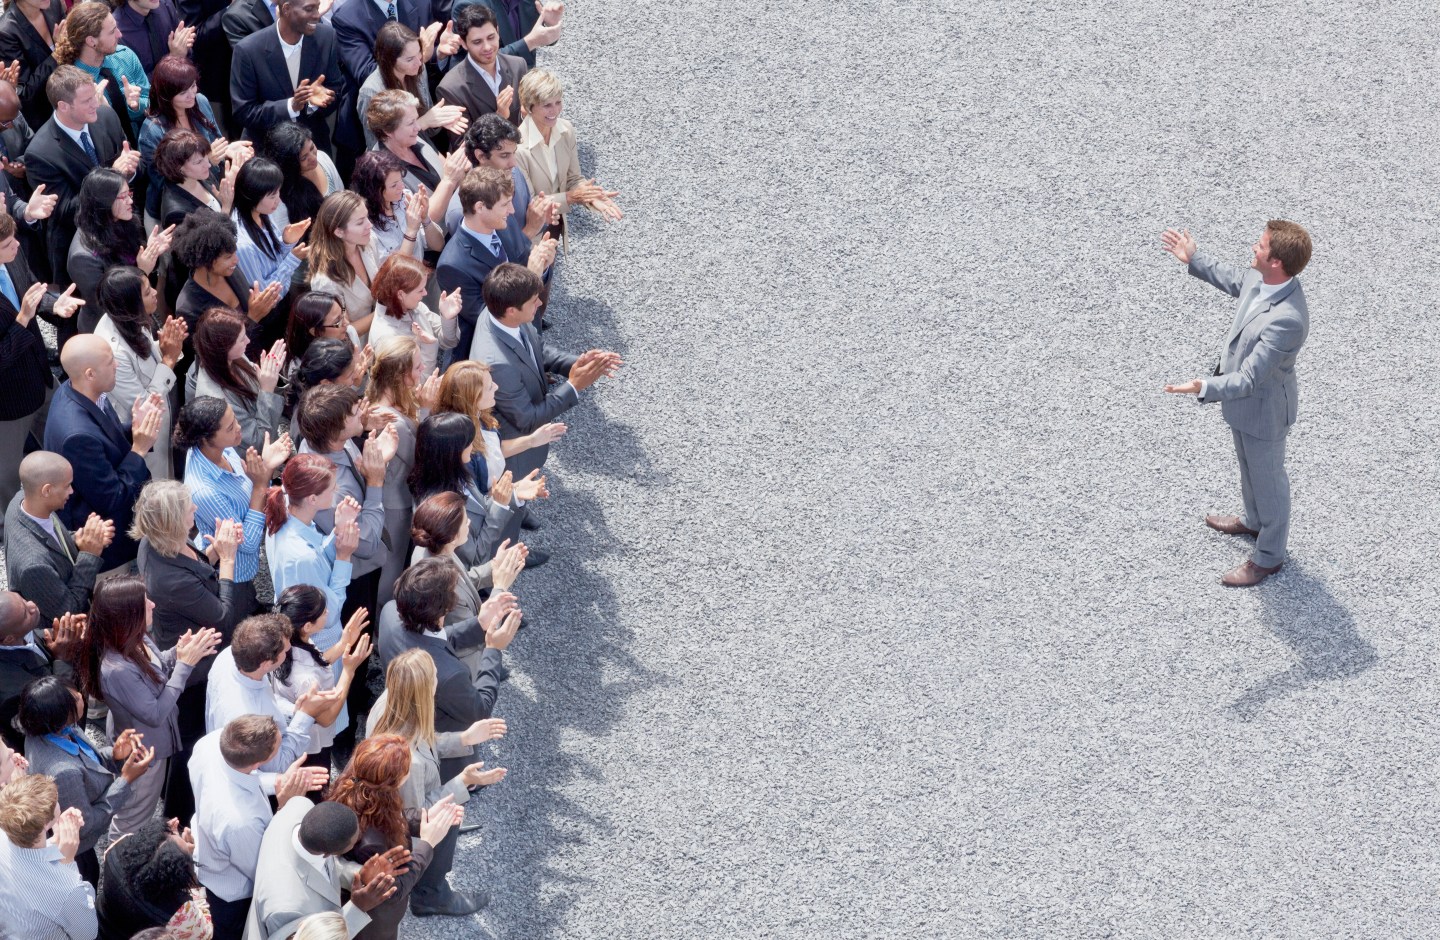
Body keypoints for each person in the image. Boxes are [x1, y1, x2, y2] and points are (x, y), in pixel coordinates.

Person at [1162, 221, 1314, 588]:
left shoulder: (1287, 320)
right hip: (1244, 407)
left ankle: (1269, 556)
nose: (1253, 248)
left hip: (1264, 411)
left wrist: (1203, 386)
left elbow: (1248, 379)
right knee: (1249, 468)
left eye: (1260, 246)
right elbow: (1234, 279)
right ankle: (1254, 522)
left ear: (1276, 261)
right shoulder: (1263, 280)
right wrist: (1193, 259)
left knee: (1270, 482)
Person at [131, 479, 242, 820]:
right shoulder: (170, 579)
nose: (195, 509)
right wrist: (227, 560)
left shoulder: (157, 543)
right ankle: (179, 813)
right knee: (190, 744)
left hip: (184, 641)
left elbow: (195, 571)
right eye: (188, 508)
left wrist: (210, 554)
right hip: (194, 671)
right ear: (170, 523)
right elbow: (223, 617)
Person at [366, 648, 507, 917]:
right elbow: (415, 817)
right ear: (424, 692)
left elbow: (419, 737)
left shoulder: (390, 702)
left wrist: (463, 738)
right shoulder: (410, 764)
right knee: (441, 829)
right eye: (433, 678)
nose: (437, 681)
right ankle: (430, 895)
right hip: (410, 825)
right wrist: (462, 782)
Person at [75, 575, 220, 834]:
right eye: (145, 603)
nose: (153, 605)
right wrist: (185, 664)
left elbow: (156, 665)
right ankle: (122, 865)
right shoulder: (116, 669)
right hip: (144, 750)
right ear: (129, 616)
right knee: (132, 818)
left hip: (151, 738)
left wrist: (178, 650)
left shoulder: (134, 638)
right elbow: (154, 713)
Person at [470, 262, 619, 509]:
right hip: (514, 450)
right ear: (510, 311)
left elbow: (535, 348)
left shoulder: (496, 313)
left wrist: (577, 363)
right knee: (509, 505)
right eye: (533, 302)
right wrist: (573, 386)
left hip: (524, 440)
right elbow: (527, 418)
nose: (539, 304)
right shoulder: (497, 363)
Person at [375, 559, 516, 782]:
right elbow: (479, 709)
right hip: (439, 754)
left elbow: (431, 639)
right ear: (444, 609)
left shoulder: (391, 612)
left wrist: (479, 625)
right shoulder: (450, 675)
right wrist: (493, 649)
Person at [188, 713, 328, 937]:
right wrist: (285, 807)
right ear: (258, 763)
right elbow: (264, 867)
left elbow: (241, 777)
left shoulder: (209, 744)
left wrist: (278, 780)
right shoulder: (241, 821)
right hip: (233, 899)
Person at [20, 674, 156, 885]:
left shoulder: (52, 730)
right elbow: (86, 824)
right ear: (59, 716)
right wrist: (126, 779)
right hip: (76, 856)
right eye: (72, 699)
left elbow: (86, 759)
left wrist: (114, 754)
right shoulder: (62, 772)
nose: (79, 695)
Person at [45, 333, 165, 569]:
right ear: (90, 373)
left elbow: (106, 440)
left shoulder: (79, 390)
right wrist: (139, 449)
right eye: (110, 362)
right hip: (109, 542)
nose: (117, 364)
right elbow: (112, 497)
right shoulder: (77, 436)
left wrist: (135, 428)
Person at [327, 733, 466, 936]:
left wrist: (423, 818)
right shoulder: (372, 846)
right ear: (397, 780)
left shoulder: (358, 787)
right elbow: (394, 889)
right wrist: (427, 842)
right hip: (374, 921)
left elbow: (390, 815)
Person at [177, 394, 292, 620]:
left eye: (235, 421)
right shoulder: (204, 491)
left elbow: (248, 485)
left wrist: (263, 468)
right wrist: (261, 483)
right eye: (230, 428)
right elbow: (247, 543)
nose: (239, 428)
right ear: (206, 438)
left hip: (245, 570)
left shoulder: (221, 449)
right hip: (232, 573)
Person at [24, 65, 140, 283]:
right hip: (85, 253)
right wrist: (113, 178)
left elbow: (130, 161)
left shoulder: (106, 117)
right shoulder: (40, 153)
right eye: (87, 101)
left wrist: (130, 169)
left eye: (94, 96)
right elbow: (66, 210)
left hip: (125, 236)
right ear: (64, 106)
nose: (96, 103)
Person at [0, 209, 77, 514]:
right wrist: (22, 319)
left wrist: (55, 305)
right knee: (7, 471)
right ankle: (11, 525)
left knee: (62, 436)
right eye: (7, 244)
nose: (17, 246)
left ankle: (66, 495)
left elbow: (33, 292)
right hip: (8, 401)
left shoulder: (13, 257)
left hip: (42, 378)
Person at [433, 356, 564, 531]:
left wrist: (532, 440)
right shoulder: (462, 448)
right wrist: (515, 492)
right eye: (489, 387)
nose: (496, 387)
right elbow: (476, 504)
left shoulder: (479, 416)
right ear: (472, 397)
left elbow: (493, 450)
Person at [244, 799, 403, 940]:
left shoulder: (300, 806)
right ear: (328, 853)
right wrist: (357, 908)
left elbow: (326, 866)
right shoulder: (288, 907)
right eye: (352, 844)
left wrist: (358, 874)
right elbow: (313, 936)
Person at [437, 166, 554, 357]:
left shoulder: (502, 223)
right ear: (480, 207)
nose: (512, 210)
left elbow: (525, 260)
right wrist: (532, 276)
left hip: (527, 339)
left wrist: (543, 265)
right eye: (505, 204)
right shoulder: (452, 265)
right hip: (494, 360)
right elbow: (492, 319)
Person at [409, 491, 525, 680]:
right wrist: (500, 585)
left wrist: (493, 566)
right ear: (453, 537)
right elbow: (479, 624)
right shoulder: (443, 582)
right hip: (463, 661)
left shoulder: (431, 548)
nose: (469, 522)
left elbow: (464, 580)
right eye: (465, 521)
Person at [362, 336, 436, 606]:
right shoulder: (396, 424)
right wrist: (426, 410)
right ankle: (383, 628)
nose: (422, 372)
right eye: (417, 368)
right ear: (402, 376)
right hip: (395, 505)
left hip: (388, 497)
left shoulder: (376, 402)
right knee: (392, 569)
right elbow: (423, 456)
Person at [94, 266, 187, 480]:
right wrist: (169, 358)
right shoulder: (113, 352)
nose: (155, 292)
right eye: (147, 292)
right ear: (129, 304)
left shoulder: (129, 319)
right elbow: (146, 405)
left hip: (164, 419)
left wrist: (164, 346)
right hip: (145, 433)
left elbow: (147, 355)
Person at [264, 453, 362, 655]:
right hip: (320, 644)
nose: (336, 489)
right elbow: (330, 614)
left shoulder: (284, 513)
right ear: (312, 499)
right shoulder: (302, 558)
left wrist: (339, 528)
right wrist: (344, 556)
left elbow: (316, 552)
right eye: (332, 487)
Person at [4, 452, 114, 629]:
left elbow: (54, 535)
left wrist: (79, 538)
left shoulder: (24, 501)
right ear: (46, 490)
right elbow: (70, 611)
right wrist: (89, 554)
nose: (71, 491)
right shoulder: (34, 566)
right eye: (67, 486)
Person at [273, 586, 372, 768]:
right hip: (311, 748)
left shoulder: (290, 641)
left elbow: (317, 660)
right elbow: (326, 718)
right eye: (322, 610)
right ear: (308, 626)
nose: (327, 611)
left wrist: (344, 643)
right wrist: (349, 671)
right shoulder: (307, 680)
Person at [515, 68, 622, 236]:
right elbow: (531, 203)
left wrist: (590, 195)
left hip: (556, 226)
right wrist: (573, 197)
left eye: (558, 102)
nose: (555, 111)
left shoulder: (566, 130)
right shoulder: (518, 149)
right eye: (547, 105)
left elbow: (573, 178)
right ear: (529, 107)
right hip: (529, 235)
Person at [230, 0, 343, 153]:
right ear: (287, 9)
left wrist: (313, 103)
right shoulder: (248, 50)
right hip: (267, 154)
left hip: (314, 150)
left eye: (317, 7)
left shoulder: (327, 37)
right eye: (309, 9)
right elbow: (244, 112)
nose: (317, 15)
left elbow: (335, 89)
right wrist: (291, 106)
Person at [68, 169, 173, 331]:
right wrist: (141, 272)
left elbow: (138, 260)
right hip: (111, 328)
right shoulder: (83, 257)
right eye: (123, 197)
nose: (130, 201)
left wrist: (151, 251)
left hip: (137, 315)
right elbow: (108, 304)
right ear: (104, 201)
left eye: (129, 193)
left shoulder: (122, 220)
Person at [137, 55, 234, 223]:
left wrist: (230, 150)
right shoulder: (152, 132)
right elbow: (162, 183)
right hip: (174, 210)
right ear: (167, 95)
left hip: (208, 193)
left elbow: (217, 141)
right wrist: (208, 161)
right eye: (183, 92)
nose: (192, 95)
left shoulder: (200, 102)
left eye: (193, 86)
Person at [0, 774, 97, 939]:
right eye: (56, 801)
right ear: (46, 824)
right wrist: (67, 862)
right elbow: (88, 934)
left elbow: (28, 858)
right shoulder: (68, 890)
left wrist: (55, 842)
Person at [186, 307, 287, 454]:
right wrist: (267, 390)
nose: (248, 341)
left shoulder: (233, 357)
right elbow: (258, 443)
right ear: (223, 347)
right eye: (241, 339)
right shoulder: (217, 400)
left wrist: (270, 374)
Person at [97, 817, 213, 940]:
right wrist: (191, 871)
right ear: (175, 874)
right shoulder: (179, 911)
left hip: (101, 928)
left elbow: (132, 839)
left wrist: (165, 834)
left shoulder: (115, 853)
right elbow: (205, 933)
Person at [52, 1, 151, 145]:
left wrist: (135, 106)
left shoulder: (126, 56)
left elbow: (152, 102)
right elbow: (77, 137)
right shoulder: (69, 84)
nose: (119, 34)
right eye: (112, 31)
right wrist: (100, 114)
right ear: (91, 41)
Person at [171, 209, 284, 335]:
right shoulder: (189, 310)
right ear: (205, 260)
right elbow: (216, 353)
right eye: (228, 257)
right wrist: (253, 318)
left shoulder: (230, 271)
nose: (236, 260)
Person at [357, 23, 467, 149]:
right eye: (409, 59)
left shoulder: (418, 70)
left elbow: (428, 130)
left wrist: (439, 119)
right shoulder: (371, 92)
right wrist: (423, 122)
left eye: (419, 53)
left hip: (421, 147)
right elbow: (377, 148)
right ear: (389, 60)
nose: (419, 62)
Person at [0, 590, 85, 751]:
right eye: (25, 614)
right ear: (9, 638)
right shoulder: (10, 693)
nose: (32, 605)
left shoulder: (16, 633)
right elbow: (59, 718)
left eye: (23, 600)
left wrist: (70, 632)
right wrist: (63, 659)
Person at [436, 4, 525, 129]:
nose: (487, 47)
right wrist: (499, 117)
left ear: (498, 32)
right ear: (464, 43)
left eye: (491, 37)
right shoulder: (451, 88)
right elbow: (462, 144)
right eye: (477, 42)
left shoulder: (518, 66)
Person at [233, 157, 310, 300]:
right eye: (272, 196)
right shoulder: (243, 245)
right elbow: (265, 297)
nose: (278, 200)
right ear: (252, 196)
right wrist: (293, 259)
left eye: (278, 192)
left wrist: (286, 242)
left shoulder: (260, 213)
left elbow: (274, 260)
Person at [367, 254, 459, 374]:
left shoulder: (414, 307)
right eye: (420, 290)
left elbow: (449, 341)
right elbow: (414, 386)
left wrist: (448, 318)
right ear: (400, 295)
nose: (425, 293)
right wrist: (429, 346)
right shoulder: (387, 339)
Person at [307, 191, 381, 339]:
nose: (370, 225)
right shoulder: (324, 281)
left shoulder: (369, 240)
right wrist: (386, 310)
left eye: (367, 217)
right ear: (339, 232)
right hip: (357, 346)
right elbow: (343, 332)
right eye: (360, 222)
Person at [348, 149, 444, 260]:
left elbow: (439, 245)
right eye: (394, 185)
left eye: (400, 181)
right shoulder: (366, 225)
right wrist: (411, 231)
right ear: (374, 190)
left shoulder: (405, 198)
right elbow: (395, 273)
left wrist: (425, 218)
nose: (402, 187)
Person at [332, 0, 450, 89]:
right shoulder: (347, 17)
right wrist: (419, 57)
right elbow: (367, 74)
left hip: (421, 96)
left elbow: (428, 53)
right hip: (377, 108)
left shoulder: (421, 3)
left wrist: (439, 52)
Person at [262, 122, 341, 234]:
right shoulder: (278, 197)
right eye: (304, 157)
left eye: (312, 148)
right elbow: (283, 238)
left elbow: (343, 200)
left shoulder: (323, 158)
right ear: (289, 164)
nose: (313, 157)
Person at [366, 90, 444, 195]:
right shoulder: (381, 170)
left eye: (416, 119)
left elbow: (445, 166)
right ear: (388, 131)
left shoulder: (416, 137)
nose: (417, 127)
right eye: (411, 123)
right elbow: (416, 211)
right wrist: (449, 182)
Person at [155, 128, 237, 227]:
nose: (208, 165)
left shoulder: (201, 174)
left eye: (206, 156)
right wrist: (226, 207)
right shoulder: (175, 214)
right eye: (198, 162)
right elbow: (210, 241)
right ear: (178, 168)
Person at [0, 0, 62, 130]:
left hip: (71, 96)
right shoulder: (6, 31)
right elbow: (25, 92)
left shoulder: (54, 5)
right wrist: (57, 54)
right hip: (44, 117)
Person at [113, 0, 191, 76]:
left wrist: (184, 44)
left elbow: (188, 56)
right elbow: (136, 85)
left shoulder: (166, 5)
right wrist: (173, 59)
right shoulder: (116, 33)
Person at [285, 290, 361, 365]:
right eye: (337, 321)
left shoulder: (350, 333)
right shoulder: (299, 366)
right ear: (315, 331)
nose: (346, 323)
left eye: (343, 314)